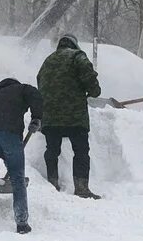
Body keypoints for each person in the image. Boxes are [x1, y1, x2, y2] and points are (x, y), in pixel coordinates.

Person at [0, 78, 43, 234]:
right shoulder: (21, 89)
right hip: (10, 134)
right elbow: (35, 94)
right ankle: (22, 223)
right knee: (17, 177)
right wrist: (37, 117)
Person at [37, 33, 102, 199]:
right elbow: (89, 77)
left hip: (50, 117)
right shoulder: (77, 56)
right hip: (74, 116)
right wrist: (94, 90)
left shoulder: (48, 61)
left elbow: (40, 82)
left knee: (52, 150)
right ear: (74, 44)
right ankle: (81, 188)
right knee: (80, 151)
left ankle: (52, 183)